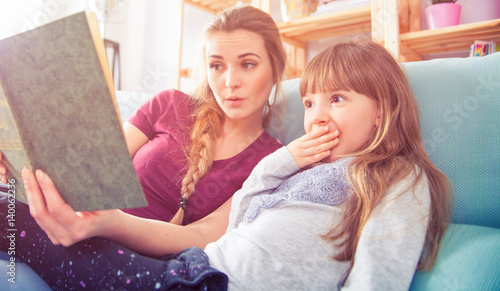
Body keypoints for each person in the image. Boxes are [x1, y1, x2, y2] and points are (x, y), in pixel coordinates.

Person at [1, 41, 452, 290]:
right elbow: (245, 215)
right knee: (17, 212)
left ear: (384, 109)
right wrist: (288, 160)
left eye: (337, 99)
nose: (315, 115)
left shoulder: (396, 176)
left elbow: (378, 272)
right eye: (310, 101)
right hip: (197, 270)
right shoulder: (301, 165)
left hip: (206, 282)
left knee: (19, 223)